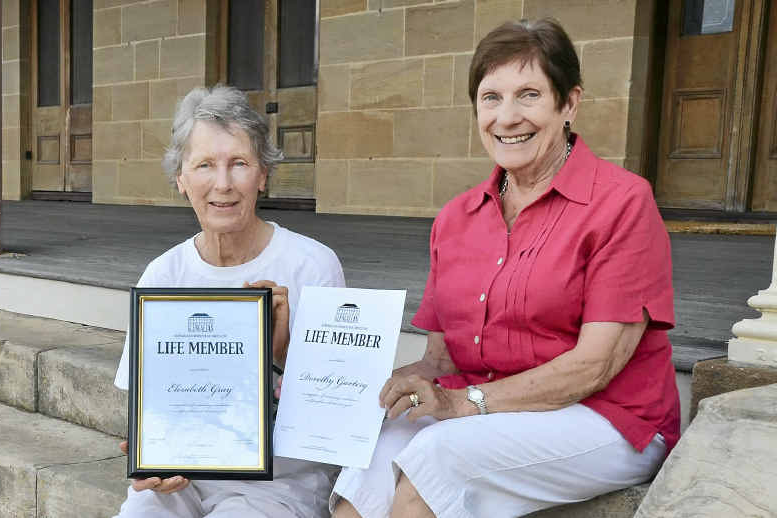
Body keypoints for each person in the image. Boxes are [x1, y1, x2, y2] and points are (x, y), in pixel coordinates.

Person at [330, 18, 680, 518]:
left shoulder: (622, 203)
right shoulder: (457, 217)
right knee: (374, 450)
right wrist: (375, 385)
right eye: (491, 98)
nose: (507, 117)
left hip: (606, 418)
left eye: (529, 95)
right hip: (486, 406)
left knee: (437, 456)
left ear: (569, 103)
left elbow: (594, 366)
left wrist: (464, 404)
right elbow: (442, 358)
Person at [111, 85, 346, 518]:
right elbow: (151, 409)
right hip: (185, 478)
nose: (223, 184)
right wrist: (151, 460)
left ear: (263, 175)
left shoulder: (311, 266)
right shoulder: (164, 275)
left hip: (279, 483)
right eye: (204, 165)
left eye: (239, 163)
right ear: (181, 179)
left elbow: (336, 413)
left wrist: (283, 351)